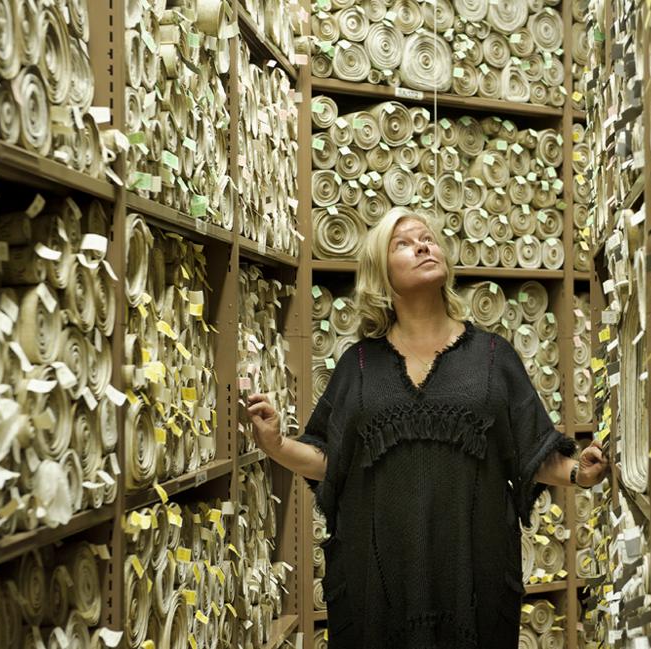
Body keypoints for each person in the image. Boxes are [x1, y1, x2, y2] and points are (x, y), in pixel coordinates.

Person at [245, 207, 609, 649]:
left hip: (472, 580)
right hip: (377, 590)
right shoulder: (359, 365)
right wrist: (276, 443)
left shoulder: (493, 357)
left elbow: (530, 451)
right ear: (381, 275)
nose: (423, 245)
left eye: (428, 239)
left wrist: (578, 473)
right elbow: (330, 459)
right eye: (404, 243)